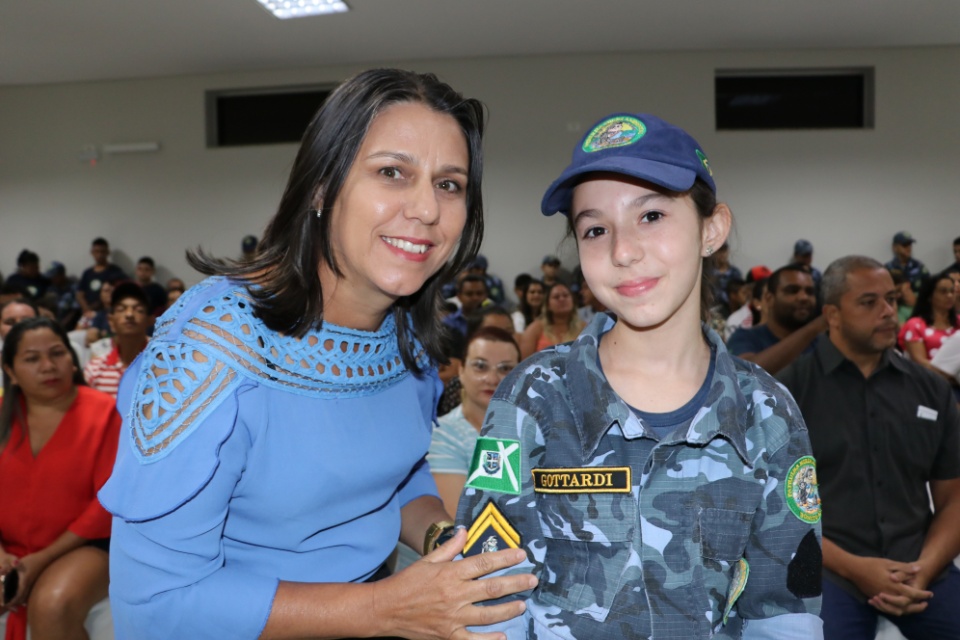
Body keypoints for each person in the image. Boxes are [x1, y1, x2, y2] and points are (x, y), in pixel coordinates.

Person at [97, 68, 533, 640]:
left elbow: (395, 479)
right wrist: (387, 608)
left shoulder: (405, 336)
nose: (427, 208)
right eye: (392, 173)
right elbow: (154, 605)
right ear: (322, 187)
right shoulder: (212, 348)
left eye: (449, 184)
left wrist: (447, 545)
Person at [460, 112, 822, 639]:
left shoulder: (766, 413)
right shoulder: (535, 398)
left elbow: (783, 613)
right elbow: (489, 599)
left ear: (711, 229)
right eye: (595, 229)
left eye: (651, 215)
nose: (622, 251)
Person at [778, 256, 960, 640]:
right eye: (869, 302)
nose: (888, 312)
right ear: (833, 315)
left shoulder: (931, 391)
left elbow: (953, 499)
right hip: (828, 565)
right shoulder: (789, 393)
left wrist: (925, 567)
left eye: (892, 299)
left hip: (918, 563)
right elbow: (778, 507)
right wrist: (857, 569)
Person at [0, 317, 121, 640]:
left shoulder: (106, 411)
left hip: (87, 546)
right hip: (7, 548)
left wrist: (39, 561)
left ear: (72, 358)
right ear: (10, 372)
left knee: (53, 604)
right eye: (31, 358)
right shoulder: (2, 413)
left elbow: (107, 503)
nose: (48, 366)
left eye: (57, 353)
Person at [727, 265, 826, 375]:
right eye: (792, 290)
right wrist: (814, 328)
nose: (804, 297)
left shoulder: (822, 341)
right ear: (769, 299)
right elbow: (747, 373)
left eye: (810, 292)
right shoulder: (745, 337)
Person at [82, 282, 151, 397]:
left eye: (138, 310)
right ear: (111, 321)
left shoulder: (166, 367)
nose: (129, 314)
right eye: (121, 309)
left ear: (149, 321)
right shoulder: (94, 371)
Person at [898, 272, 959, 371]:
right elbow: (920, 363)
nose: (949, 295)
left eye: (952, 291)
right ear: (930, 296)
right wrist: (952, 376)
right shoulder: (915, 325)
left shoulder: (958, 322)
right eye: (943, 291)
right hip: (930, 382)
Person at [518, 281, 584, 359]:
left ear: (573, 301)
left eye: (565, 295)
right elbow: (523, 363)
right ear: (548, 305)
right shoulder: (535, 329)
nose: (562, 299)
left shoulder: (584, 328)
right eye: (556, 297)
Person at [76, 238, 127, 320]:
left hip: (109, 313)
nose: (99, 255)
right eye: (96, 251)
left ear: (107, 252)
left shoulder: (115, 271)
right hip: (88, 313)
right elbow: (80, 294)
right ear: (92, 252)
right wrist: (87, 310)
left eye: (102, 251)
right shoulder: (87, 273)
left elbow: (122, 291)